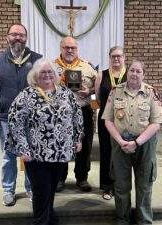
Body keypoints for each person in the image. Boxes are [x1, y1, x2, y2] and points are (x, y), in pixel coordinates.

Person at [4, 59, 83, 225]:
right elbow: (14, 120)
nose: (47, 75)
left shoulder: (65, 93)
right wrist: (23, 148)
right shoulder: (27, 94)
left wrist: (78, 138)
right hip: (36, 154)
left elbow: (77, 115)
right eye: (43, 72)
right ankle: (42, 221)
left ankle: (50, 219)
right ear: (35, 76)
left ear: (55, 75)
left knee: (51, 190)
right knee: (41, 192)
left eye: (50, 72)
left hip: (60, 152)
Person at [102, 59, 162, 225]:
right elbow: (108, 120)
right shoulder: (115, 91)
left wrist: (136, 142)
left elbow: (156, 123)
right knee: (121, 185)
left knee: (144, 185)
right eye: (132, 70)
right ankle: (122, 219)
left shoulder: (151, 92)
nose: (135, 74)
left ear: (143, 74)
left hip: (145, 144)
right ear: (126, 72)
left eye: (138, 71)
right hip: (120, 143)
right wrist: (121, 141)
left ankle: (143, 220)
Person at [0, 23, 42, 206]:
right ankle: (8, 190)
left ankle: (31, 188)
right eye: (14, 34)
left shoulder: (37, 60)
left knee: (31, 154)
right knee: (8, 155)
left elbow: (46, 88)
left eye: (22, 35)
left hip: (32, 119)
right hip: (6, 118)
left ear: (26, 38)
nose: (18, 38)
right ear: (7, 37)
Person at [53, 36, 97, 192]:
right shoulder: (52, 67)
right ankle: (59, 178)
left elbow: (96, 91)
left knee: (85, 146)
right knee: (61, 144)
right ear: (61, 48)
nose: (70, 50)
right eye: (66, 47)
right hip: (60, 113)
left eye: (73, 47)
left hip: (84, 111)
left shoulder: (88, 67)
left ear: (77, 49)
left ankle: (82, 178)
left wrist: (92, 101)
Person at [95, 46, 127, 200]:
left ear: (124, 58)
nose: (116, 59)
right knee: (106, 152)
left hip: (124, 120)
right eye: (113, 56)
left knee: (121, 152)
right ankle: (107, 186)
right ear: (109, 57)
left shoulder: (130, 75)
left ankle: (120, 185)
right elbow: (99, 98)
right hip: (106, 118)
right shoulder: (101, 75)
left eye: (119, 56)